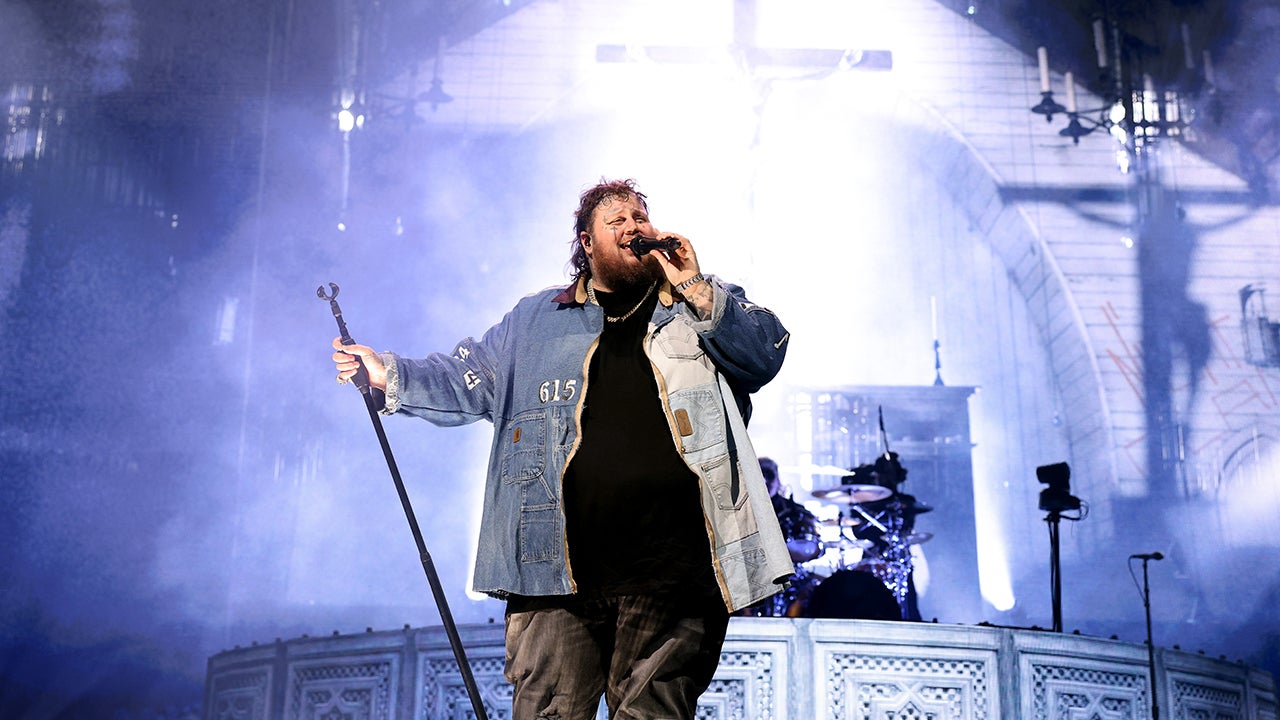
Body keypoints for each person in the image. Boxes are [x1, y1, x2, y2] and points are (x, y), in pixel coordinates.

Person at [330, 178, 792, 719]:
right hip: (553, 568)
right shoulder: (534, 321)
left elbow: (763, 355)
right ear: (587, 243)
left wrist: (694, 286)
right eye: (617, 220)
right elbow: (465, 378)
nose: (634, 226)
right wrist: (388, 373)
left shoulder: (697, 304)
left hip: (676, 566)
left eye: (640, 216)